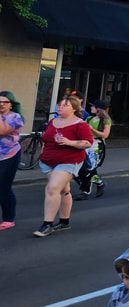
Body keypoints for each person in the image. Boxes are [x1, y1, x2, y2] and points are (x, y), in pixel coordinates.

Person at [33, 96, 93, 238]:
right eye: (59, 105)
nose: (60, 107)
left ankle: (47, 224)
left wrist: (68, 142)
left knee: (52, 188)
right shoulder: (53, 121)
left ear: (74, 108)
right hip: (48, 161)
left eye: (64, 105)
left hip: (69, 161)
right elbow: (46, 139)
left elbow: (87, 143)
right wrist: (42, 152)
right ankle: (64, 221)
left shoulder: (80, 124)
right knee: (64, 190)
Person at [75, 99, 112, 201]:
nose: (91, 108)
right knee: (80, 170)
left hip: (97, 146)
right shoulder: (89, 118)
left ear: (98, 109)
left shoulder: (106, 120)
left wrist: (91, 129)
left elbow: (105, 135)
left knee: (89, 169)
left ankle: (85, 192)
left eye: (93, 106)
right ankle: (100, 183)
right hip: (86, 144)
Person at [0, 90, 24, 230]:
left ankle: (9, 219)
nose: (1, 104)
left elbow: (2, 131)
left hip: (9, 155)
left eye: (5, 102)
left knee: (4, 187)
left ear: (11, 104)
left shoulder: (15, 117)